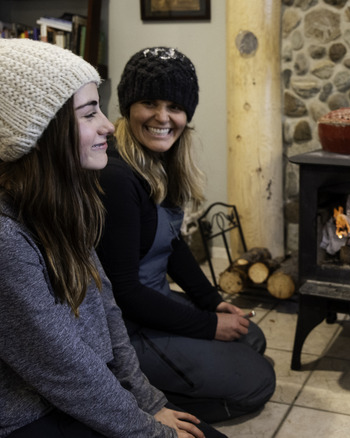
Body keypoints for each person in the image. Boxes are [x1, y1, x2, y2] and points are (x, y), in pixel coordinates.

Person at [0, 39, 226, 438]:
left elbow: (106, 309)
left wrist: (149, 401)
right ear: (39, 131)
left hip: (80, 390)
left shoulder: (67, 204)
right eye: (90, 113)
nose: (108, 125)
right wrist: (150, 428)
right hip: (30, 415)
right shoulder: (8, 239)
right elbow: (64, 369)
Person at [96, 46, 275, 423]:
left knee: (252, 337)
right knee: (258, 382)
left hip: (152, 302)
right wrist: (209, 326)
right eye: (149, 102)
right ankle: (131, 400)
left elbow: (171, 243)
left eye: (174, 107)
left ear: (186, 115)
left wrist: (211, 302)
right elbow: (124, 293)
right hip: (125, 328)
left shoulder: (162, 161)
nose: (163, 117)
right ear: (128, 107)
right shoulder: (116, 175)